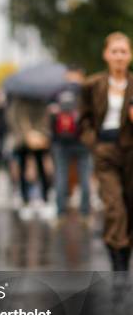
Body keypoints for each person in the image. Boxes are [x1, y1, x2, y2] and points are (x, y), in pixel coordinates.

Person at [79, 32, 133, 271]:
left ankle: (122, 253)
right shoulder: (92, 85)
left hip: (131, 151)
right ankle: (118, 262)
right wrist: (94, 143)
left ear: (130, 55)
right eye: (115, 51)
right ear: (106, 55)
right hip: (105, 150)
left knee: (129, 206)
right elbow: (84, 120)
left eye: (123, 51)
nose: (119, 56)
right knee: (114, 206)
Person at [49, 66, 92, 225]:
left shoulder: (57, 92)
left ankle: (60, 213)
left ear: (67, 75)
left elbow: (51, 119)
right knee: (85, 177)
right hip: (82, 142)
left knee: (61, 176)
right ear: (82, 74)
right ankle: (85, 213)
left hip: (61, 142)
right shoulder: (87, 91)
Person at [7, 96, 54, 220]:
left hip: (39, 140)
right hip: (22, 140)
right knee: (22, 169)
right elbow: (13, 119)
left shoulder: (40, 101)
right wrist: (26, 134)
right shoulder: (17, 103)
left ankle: (44, 198)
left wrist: (38, 133)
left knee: (41, 168)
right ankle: (25, 200)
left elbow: (45, 119)